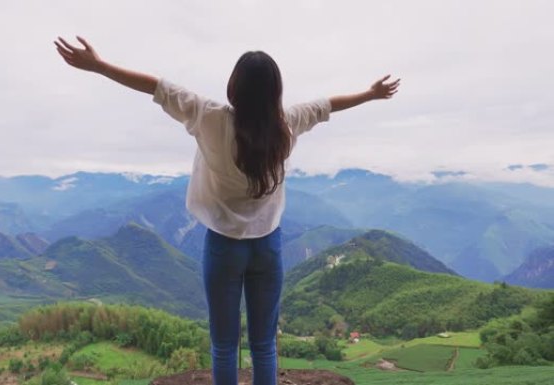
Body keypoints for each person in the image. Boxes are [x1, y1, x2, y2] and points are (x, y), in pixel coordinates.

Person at [54, 36, 400, 385]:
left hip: (223, 246)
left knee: (223, 345)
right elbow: (327, 105)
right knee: (264, 345)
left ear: (234, 87)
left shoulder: (209, 117)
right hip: (268, 246)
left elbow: (155, 86)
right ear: (274, 93)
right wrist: (370, 94)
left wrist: (98, 66)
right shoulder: (286, 125)